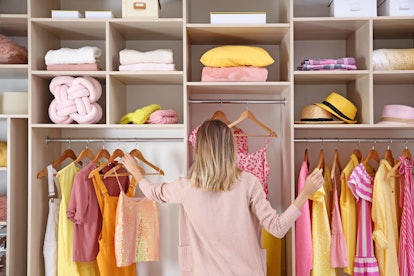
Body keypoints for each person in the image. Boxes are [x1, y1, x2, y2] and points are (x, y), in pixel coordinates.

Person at [120, 119, 324, 276]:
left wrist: (137, 172)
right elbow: (277, 228)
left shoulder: (185, 187)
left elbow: (152, 192)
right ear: (231, 148)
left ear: (199, 149)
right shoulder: (249, 183)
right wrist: (305, 193)